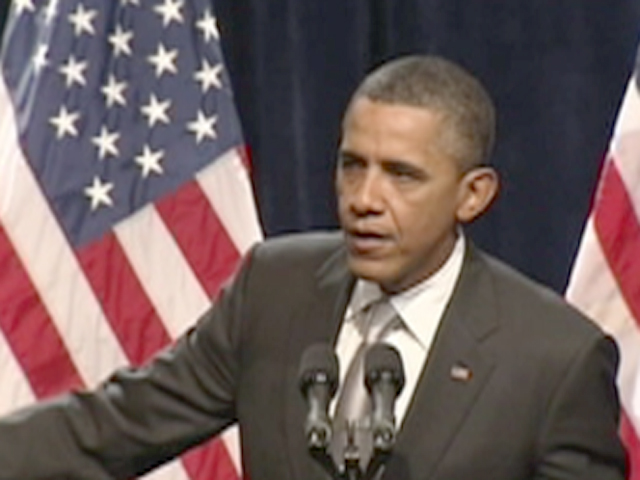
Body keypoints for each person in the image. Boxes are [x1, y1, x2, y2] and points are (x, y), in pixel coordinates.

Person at [0, 55, 626, 480]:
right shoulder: (276, 287)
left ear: (473, 195)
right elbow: (119, 423)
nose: (364, 198)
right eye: (353, 165)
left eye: (402, 175)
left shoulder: (554, 360)